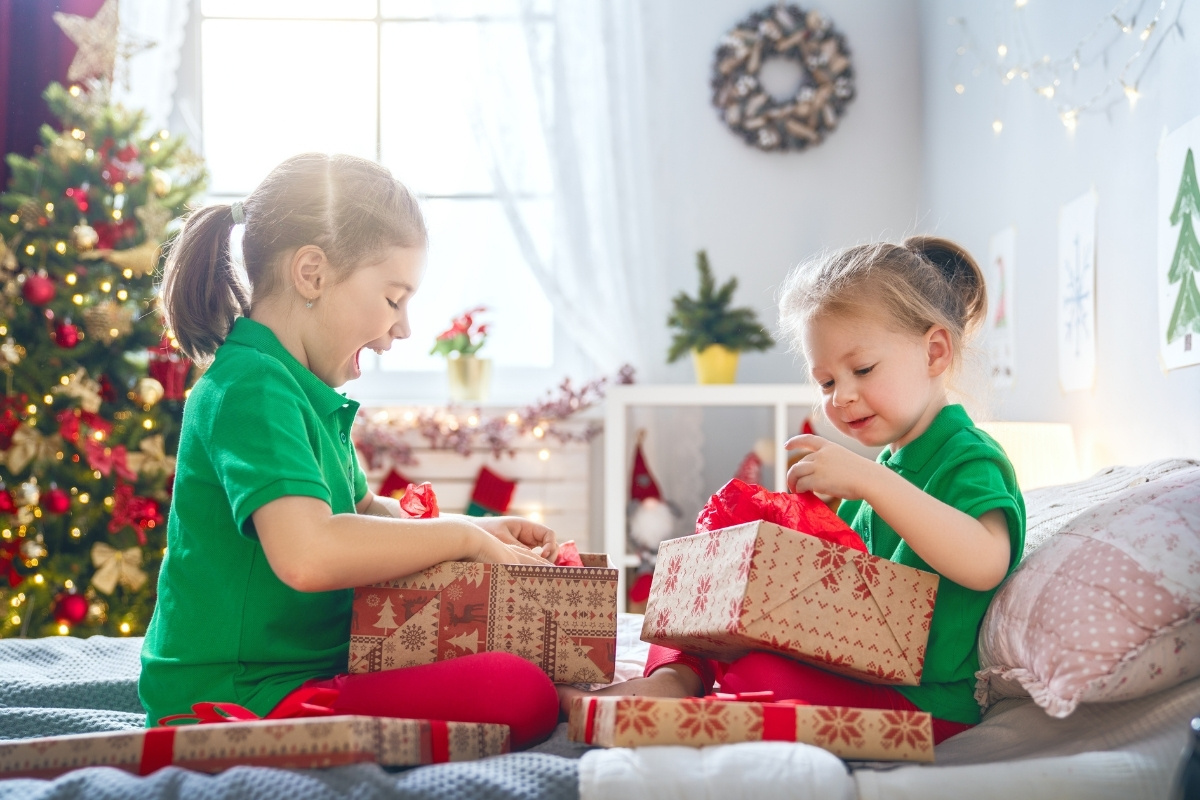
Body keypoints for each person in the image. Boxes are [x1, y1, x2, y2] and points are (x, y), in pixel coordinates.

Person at [140, 153, 561, 749]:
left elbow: (362, 512)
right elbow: (308, 553)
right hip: (239, 695)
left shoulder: (298, 386)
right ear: (311, 273)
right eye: (393, 299)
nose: (404, 327)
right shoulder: (251, 387)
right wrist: (466, 541)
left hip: (307, 671)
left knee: (514, 671)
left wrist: (485, 529)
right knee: (520, 693)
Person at [559, 236, 1025, 744]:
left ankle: (689, 685)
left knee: (757, 672)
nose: (842, 396)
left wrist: (870, 481)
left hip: (924, 704)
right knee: (702, 610)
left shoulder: (968, 456)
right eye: (825, 383)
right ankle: (674, 677)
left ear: (934, 352)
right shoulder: (893, 463)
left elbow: (985, 563)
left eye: (862, 369)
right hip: (864, 671)